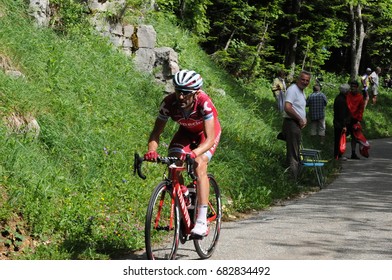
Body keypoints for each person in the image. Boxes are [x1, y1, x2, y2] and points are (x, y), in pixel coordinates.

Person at [143, 69, 221, 237]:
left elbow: (209, 139)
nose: (181, 96)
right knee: (173, 164)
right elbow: (156, 133)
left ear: (197, 93)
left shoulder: (204, 103)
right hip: (185, 132)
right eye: (178, 91)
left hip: (207, 135)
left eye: (186, 93)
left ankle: (201, 220)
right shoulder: (169, 103)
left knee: (199, 165)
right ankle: (184, 193)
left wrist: (194, 153)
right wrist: (152, 150)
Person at [282, 70, 311, 180]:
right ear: (298, 79)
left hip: (296, 124)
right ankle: (292, 180)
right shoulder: (293, 89)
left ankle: (294, 176)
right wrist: (299, 119)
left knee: (295, 151)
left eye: (307, 80)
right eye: (302, 79)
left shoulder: (301, 91)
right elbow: (287, 107)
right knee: (293, 153)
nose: (304, 82)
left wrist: (304, 119)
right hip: (291, 123)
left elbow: (299, 107)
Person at [346, 80, 365, 159]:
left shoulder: (360, 97)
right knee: (343, 135)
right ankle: (339, 153)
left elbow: (361, 109)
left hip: (355, 119)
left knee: (354, 137)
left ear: (357, 88)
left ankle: (353, 153)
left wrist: (359, 120)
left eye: (354, 87)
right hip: (346, 119)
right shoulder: (347, 95)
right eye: (351, 87)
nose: (352, 88)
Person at [333, 84, 351, 160]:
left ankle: (337, 155)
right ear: (345, 91)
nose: (349, 91)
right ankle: (337, 155)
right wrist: (344, 125)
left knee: (338, 139)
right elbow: (342, 114)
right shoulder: (341, 100)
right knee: (339, 140)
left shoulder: (339, 98)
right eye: (348, 90)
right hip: (339, 124)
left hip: (337, 122)